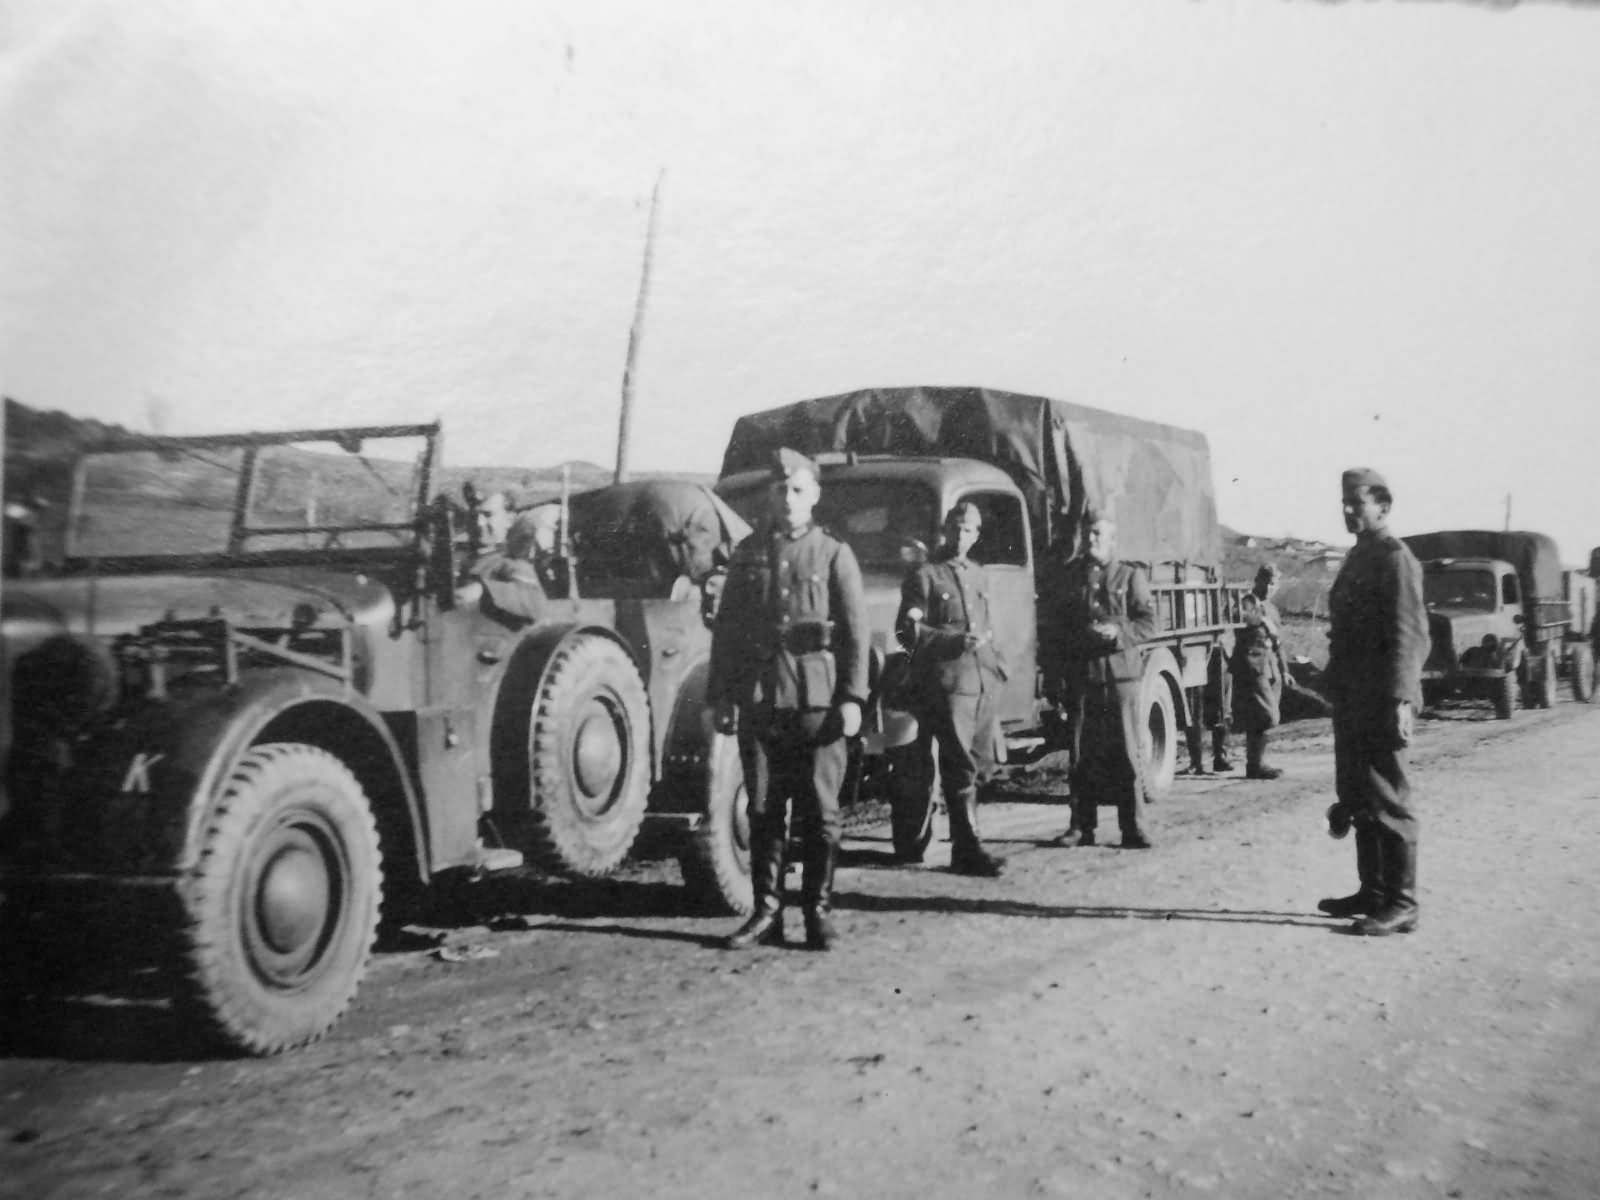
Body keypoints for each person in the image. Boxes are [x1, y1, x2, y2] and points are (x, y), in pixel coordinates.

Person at [707, 448, 869, 950]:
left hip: (816, 702)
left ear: (815, 495)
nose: (789, 499)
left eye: (799, 489)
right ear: (770, 495)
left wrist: (852, 697)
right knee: (762, 809)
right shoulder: (749, 554)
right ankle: (767, 911)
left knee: (820, 812)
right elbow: (729, 633)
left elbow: (856, 634)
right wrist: (721, 695)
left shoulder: (833, 553)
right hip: (760, 697)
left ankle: (817, 912)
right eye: (781, 490)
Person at [1318, 468, 1428, 936]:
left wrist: (1402, 699)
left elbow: (1409, 634)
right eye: (1343, 502)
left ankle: (1402, 903)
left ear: (1383, 506)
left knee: (1389, 797)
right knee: (1359, 794)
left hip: (1382, 697)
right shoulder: (1360, 556)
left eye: (1356, 503)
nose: (1347, 510)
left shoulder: (1394, 557)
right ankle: (1373, 891)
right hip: (1353, 697)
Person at [893, 501, 1008, 877]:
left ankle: (968, 845)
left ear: (977, 535)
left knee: (981, 764)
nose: (962, 537)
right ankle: (968, 849)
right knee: (959, 767)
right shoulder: (925, 575)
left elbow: (988, 626)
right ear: (946, 529)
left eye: (970, 531)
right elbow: (907, 633)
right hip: (948, 684)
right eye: (956, 528)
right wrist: (953, 642)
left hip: (981, 681)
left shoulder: (978, 575)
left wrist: (996, 669)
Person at [1041, 507, 1158, 849]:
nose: (1091, 540)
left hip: (1120, 677)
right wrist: (1057, 676)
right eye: (1088, 534)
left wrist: (1118, 631)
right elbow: (1057, 630)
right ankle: (1080, 826)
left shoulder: (1128, 576)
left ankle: (1133, 828)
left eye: (1098, 534)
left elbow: (1149, 623)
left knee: (1125, 754)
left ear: (1112, 540)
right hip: (1082, 677)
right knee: (1081, 755)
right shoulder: (1070, 576)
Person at [1230, 565, 1291, 780]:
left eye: (1273, 583)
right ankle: (1256, 764)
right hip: (1252, 666)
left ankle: (1255, 765)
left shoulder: (1272, 608)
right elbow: (1237, 616)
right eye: (1265, 581)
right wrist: (1261, 619)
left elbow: (1279, 642)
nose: (1269, 587)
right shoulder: (1249, 601)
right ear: (1257, 581)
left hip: (1271, 667)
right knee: (1268, 716)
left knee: (1260, 719)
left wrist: (1285, 670)